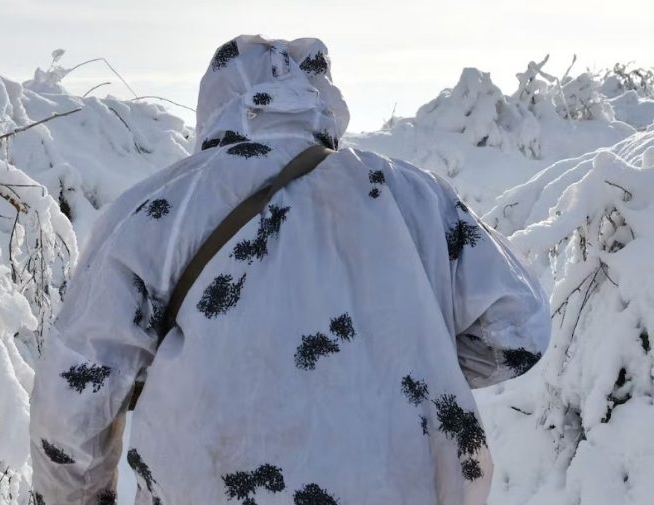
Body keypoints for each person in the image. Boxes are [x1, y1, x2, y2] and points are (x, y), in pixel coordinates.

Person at [29, 34, 550, 505]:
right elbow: (520, 328)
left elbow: (73, 402)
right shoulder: (414, 196)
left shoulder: (161, 210)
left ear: (214, 106)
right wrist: (397, 363)